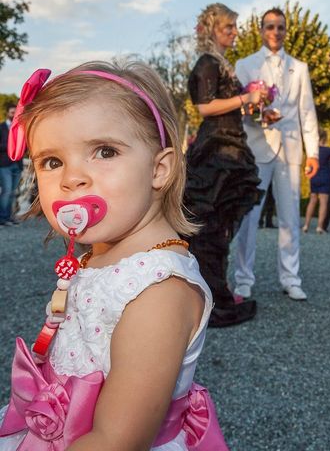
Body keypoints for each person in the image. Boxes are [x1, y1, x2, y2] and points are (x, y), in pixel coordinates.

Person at [0, 62, 227, 449]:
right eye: (52, 162)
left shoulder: (158, 292)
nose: (72, 178)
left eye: (104, 152)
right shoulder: (101, 255)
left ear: (160, 169)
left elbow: (117, 439)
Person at [183, 3, 263, 327]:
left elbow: (225, 106)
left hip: (230, 144)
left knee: (219, 228)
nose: (234, 32)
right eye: (228, 27)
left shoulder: (219, 62)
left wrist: (256, 107)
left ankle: (215, 293)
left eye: (234, 27)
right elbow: (205, 107)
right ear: (212, 30)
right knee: (209, 230)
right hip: (217, 150)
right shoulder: (206, 63)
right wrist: (247, 98)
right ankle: (209, 301)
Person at [233, 7, 319, 301]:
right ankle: (243, 277)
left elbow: (307, 112)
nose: (275, 32)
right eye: (270, 26)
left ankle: (291, 277)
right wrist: (257, 115)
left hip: (291, 148)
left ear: (285, 30)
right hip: (257, 149)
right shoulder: (245, 65)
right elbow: (238, 108)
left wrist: (313, 152)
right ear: (261, 30)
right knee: (249, 217)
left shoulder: (300, 67)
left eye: (280, 27)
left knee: (290, 216)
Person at [303, 129, 330, 233]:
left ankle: (306, 225)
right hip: (325, 177)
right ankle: (319, 226)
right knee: (323, 202)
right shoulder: (328, 150)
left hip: (314, 176)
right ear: (325, 138)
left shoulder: (313, 151)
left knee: (312, 200)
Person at [0, 104, 21, 226]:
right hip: (4, 165)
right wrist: (10, 146)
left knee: (13, 192)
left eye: (15, 113)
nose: (14, 115)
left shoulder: (19, 128)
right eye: (12, 112)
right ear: (8, 113)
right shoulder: (1, 127)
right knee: (6, 191)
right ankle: (2, 218)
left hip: (17, 165)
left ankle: (9, 216)